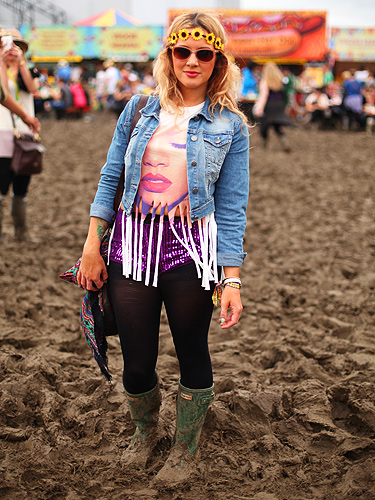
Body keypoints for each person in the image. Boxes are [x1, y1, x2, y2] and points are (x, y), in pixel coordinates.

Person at [77, 10, 249, 487]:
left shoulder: (230, 126)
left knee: (193, 350)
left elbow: (233, 207)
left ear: (218, 61)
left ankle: (186, 447)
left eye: (204, 53)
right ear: (168, 55)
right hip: (131, 247)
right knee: (136, 358)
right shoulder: (138, 109)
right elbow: (111, 178)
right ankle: (144, 433)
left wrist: (231, 279)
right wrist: (92, 245)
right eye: (182, 51)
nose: (192, 61)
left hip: (192, 251)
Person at [0, 29, 39, 241]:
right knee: (2, 183)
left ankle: (20, 231)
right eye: (8, 44)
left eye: (17, 45)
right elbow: (3, 93)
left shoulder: (28, 71)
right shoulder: (0, 70)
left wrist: (21, 63)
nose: (12, 49)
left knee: (22, 186)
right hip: (3, 132)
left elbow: (33, 88)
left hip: (25, 134)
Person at [253, 62, 293, 152]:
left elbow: (264, 96)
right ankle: (284, 141)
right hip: (279, 105)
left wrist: (259, 108)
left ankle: (264, 144)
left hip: (269, 105)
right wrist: (285, 107)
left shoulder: (265, 82)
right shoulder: (281, 81)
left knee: (264, 126)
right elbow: (286, 95)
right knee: (277, 126)